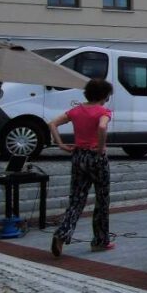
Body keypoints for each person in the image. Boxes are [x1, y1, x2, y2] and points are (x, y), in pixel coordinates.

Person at [49, 78, 115, 256]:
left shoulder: (76, 110)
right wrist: (100, 148)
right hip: (96, 157)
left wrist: (61, 144)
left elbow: (52, 123)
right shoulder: (104, 111)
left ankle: (62, 234)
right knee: (102, 199)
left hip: (78, 156)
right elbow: (102, 127)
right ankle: (100, 241)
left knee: (77, 199)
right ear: (104, 96)